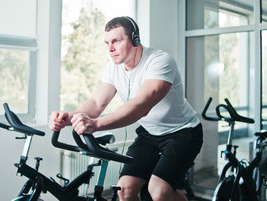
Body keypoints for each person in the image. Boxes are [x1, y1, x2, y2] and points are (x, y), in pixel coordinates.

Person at [49, 16, 203, 201]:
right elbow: (97, 102)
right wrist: (68, 118)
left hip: (182, 133)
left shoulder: (160, 62)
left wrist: (96, 124)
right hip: (149, 134)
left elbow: (141, 106)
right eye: (107, 43)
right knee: (124, 190)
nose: (110, 49)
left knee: (158, 191)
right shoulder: (112, 69)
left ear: (135, 39)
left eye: (116, 41)